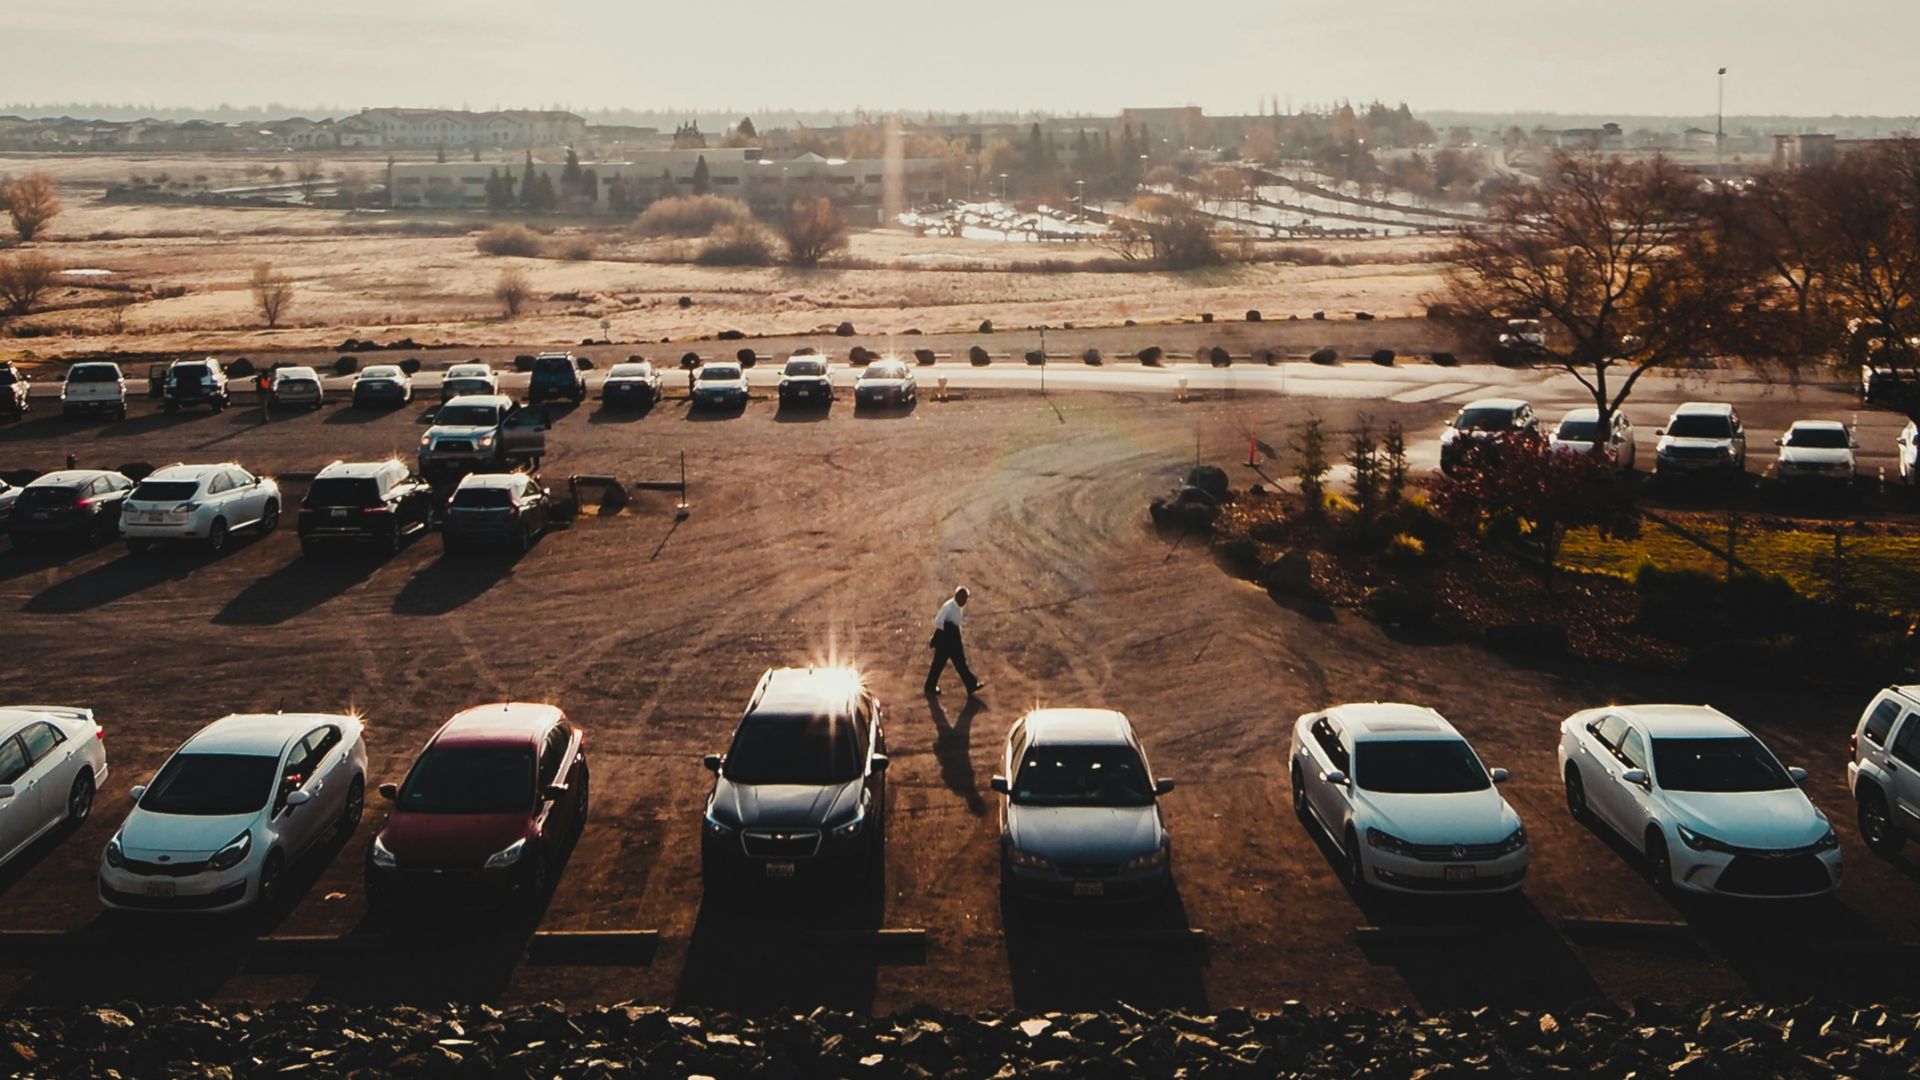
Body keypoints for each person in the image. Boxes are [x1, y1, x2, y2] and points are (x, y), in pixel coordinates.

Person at [925, 586, 983, 698]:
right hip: (947, 638)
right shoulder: (948, 607)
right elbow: (938, 622)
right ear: (957, 596)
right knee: (941, 664)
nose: (965, 601)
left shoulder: (957, 607)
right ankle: (930, 687)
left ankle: (970, 684)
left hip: (953, 637)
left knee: (957, 663)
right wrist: (945, 632)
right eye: (964, 598)